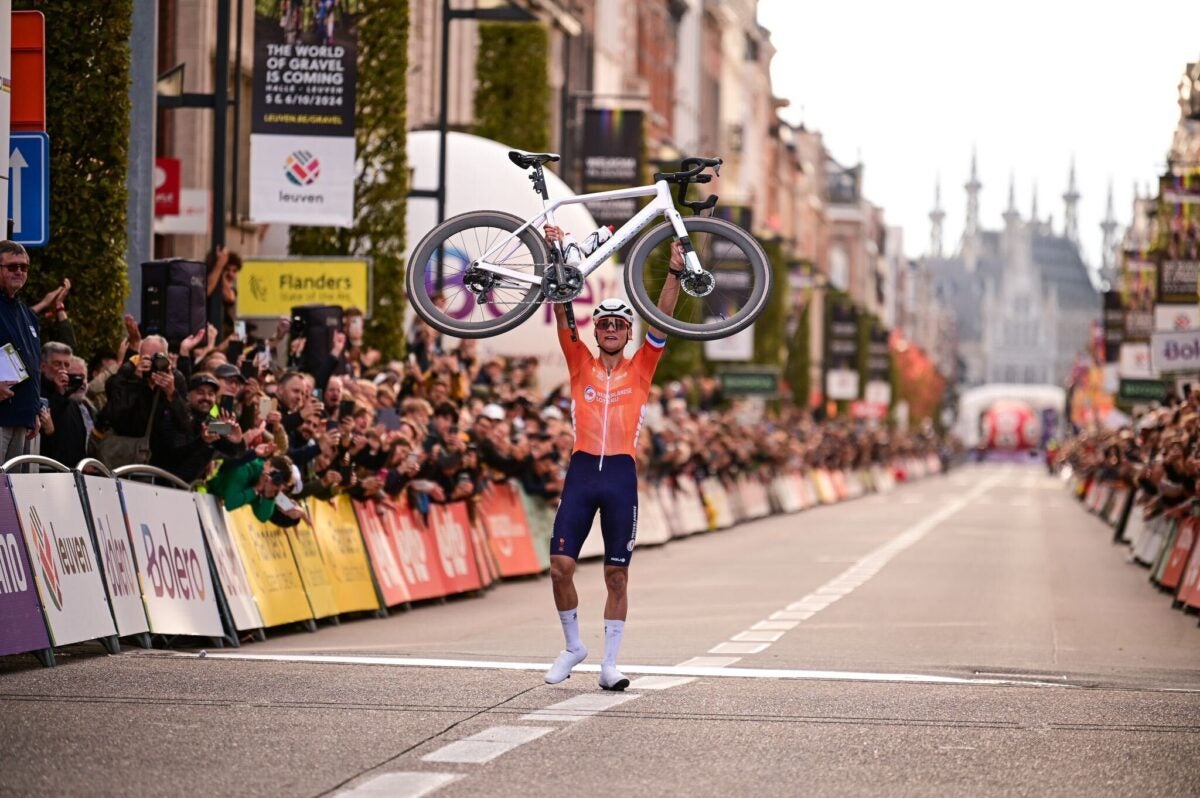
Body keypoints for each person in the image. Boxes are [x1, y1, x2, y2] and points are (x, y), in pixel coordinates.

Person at [541, 224, 682, 691]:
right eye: (604, 323)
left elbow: (662, 321)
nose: (612, 329)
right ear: (596, 329)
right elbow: (562, 307)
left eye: (620, 324)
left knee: (616, 576)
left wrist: (675, 275)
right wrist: (552, 250)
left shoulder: (641, 367)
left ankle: (609, 665)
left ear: (627, 332)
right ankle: (572, 646)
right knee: (560, 567)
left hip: (620, 475)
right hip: (581, 472)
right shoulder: (578, 359)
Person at [0, 241, 44, 460]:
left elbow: (34, 365)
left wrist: (34, 408)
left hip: (21, 418)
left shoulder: (27, 314)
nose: (19, 271)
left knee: (8, 492)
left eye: (24, 267)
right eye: (12, 267)